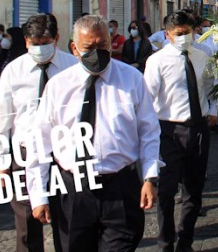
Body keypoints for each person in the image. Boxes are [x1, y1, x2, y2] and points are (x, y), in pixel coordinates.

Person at [26, 15, 161, 252]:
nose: (97, 53)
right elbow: (41, 142)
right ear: (74, 49)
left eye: (103, 46)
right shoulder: (58, 86)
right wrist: (38, 196)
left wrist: (150, 178)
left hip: (120, 187)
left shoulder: (132, 79)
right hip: (73, 189)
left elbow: (149, 132)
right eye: (89, 48)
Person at [0, 13, 75, 252]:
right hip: (24, 156)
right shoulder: (13, 71)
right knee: (27, 224)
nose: (39, 48)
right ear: (26, 41)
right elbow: (1, 120)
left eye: (45, 43)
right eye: (34, 43)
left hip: (63, 156)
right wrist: (1, 165)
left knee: (68, 222)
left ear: (57, 38)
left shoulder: (73, 68)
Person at [144, 10, 218, 252]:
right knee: (166, 192)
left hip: (198, 129)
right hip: (168, 131)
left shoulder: (202, 56)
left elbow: (211, 87)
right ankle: (165, 243)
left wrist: (213, 110)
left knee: (194, 191)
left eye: (188, 32)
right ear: (167, 34)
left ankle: (185, 242)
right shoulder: (157, 61)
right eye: (179, 33)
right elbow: (148, 99)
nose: (184, 37)